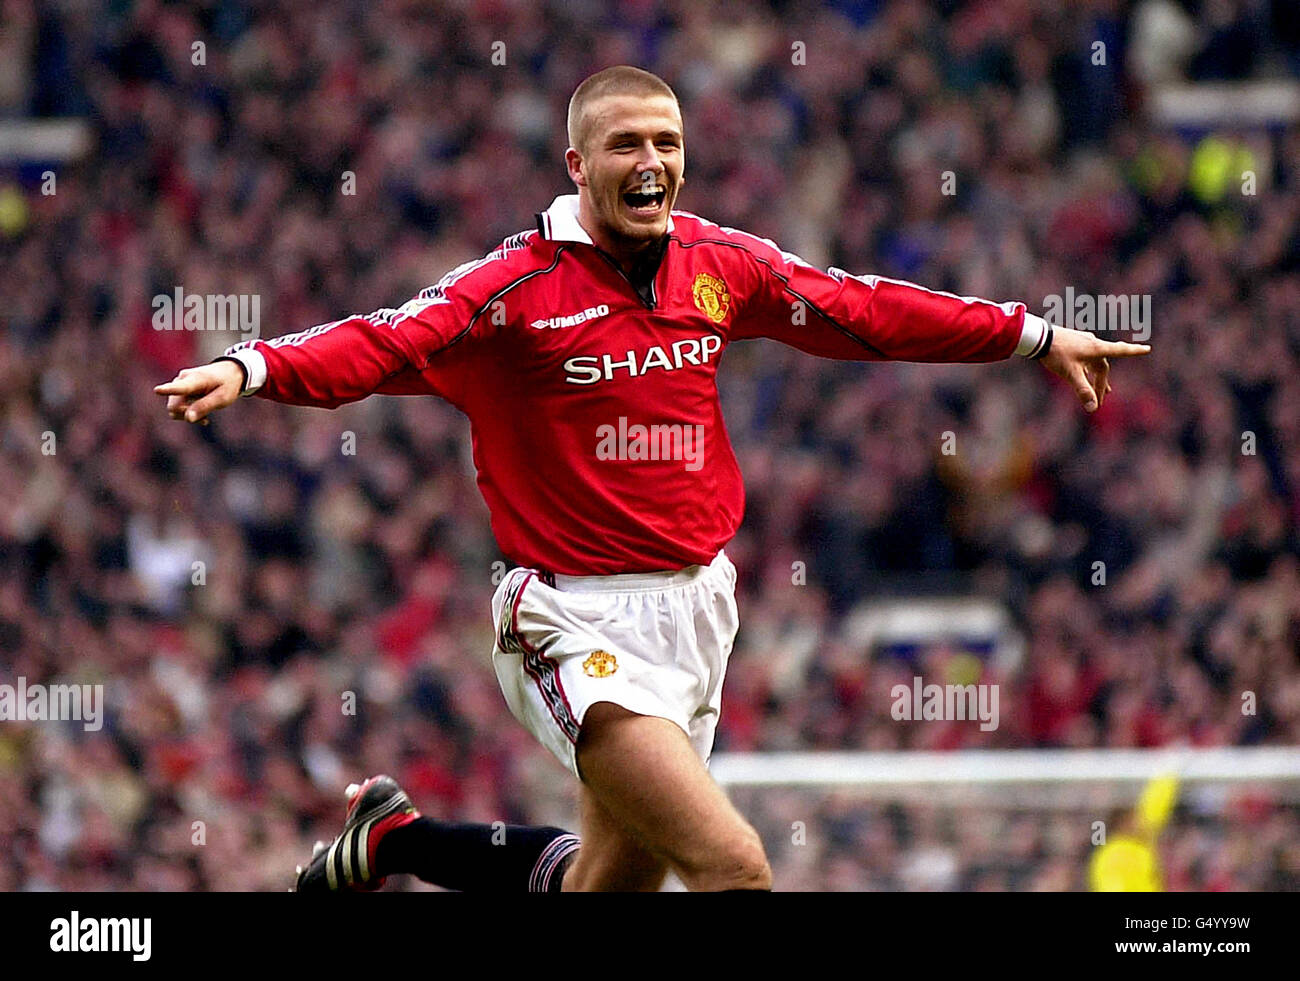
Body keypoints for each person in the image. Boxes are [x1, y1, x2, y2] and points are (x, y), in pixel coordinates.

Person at [155, 66, 1150, 892]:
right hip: (569, 618)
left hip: (697, 613)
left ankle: (394, 843)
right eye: (628, 144)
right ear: (578, 165)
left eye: (667, 143)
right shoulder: (511, 290)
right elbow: (379, 341)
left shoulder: (720, 264)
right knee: (734, 869)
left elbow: (861, 309)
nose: (653, 163)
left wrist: (1029, 335)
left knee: (602, 887)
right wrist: (250, 367)